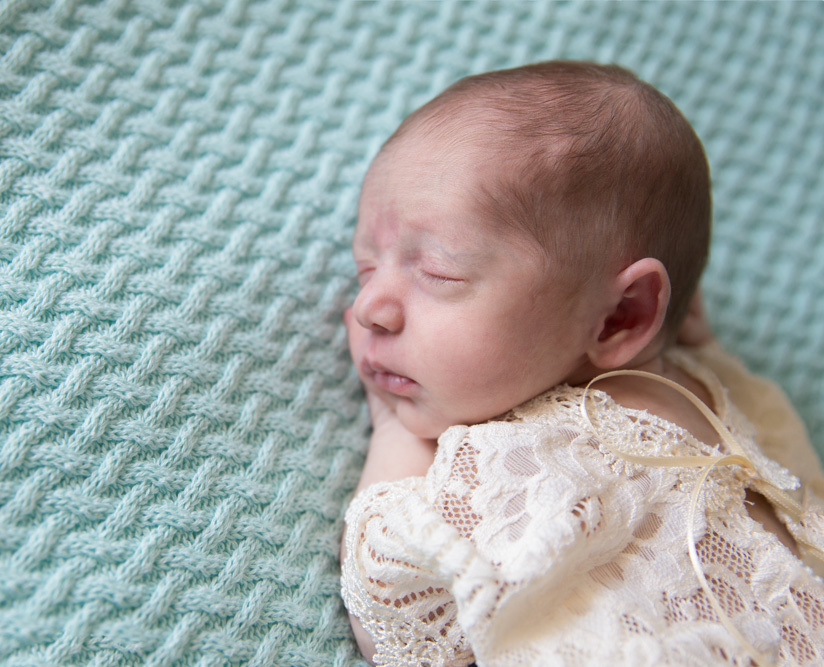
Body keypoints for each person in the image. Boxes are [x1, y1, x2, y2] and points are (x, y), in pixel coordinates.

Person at [339, 60, 824, 666]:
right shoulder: (709, 392)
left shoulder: (525, 458)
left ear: (621, 317)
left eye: (438, 271)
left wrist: (393, 434)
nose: (368, 309)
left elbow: (403, 618)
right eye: (365, 268)